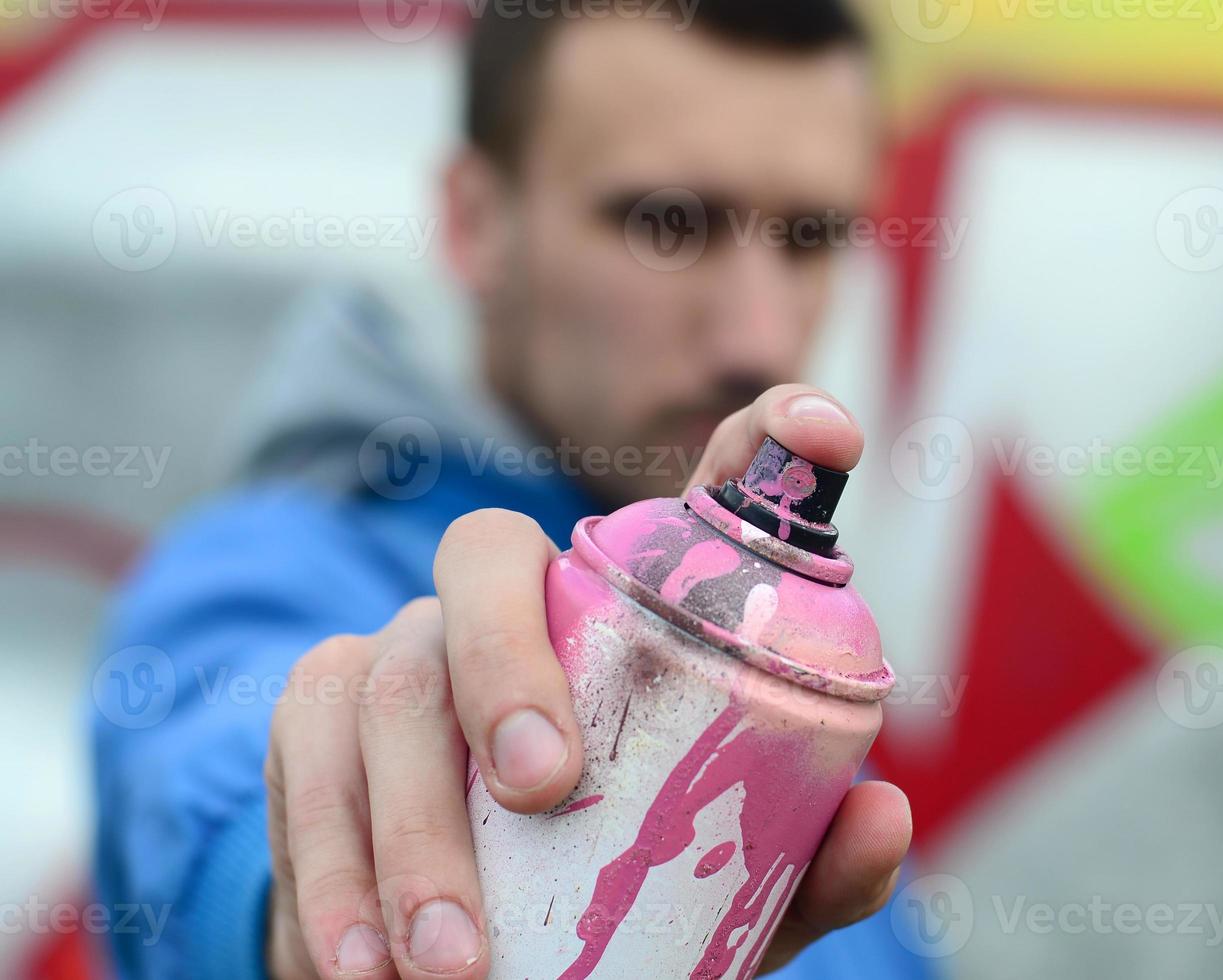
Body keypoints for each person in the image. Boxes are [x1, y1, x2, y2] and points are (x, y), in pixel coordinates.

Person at [91, 2, 921, 978]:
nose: (757, 336)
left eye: (810, 236)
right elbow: (222, 799)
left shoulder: (784, 669)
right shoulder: (260, 568)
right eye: (668, 224)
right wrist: (326, 900)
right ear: (474, 220)